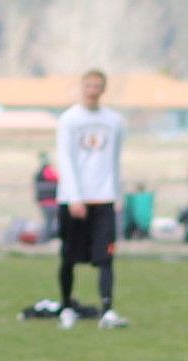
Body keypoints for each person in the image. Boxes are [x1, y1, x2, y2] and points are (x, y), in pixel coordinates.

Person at [54, 69, 128, 329]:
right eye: (89, 85)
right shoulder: (69, 120)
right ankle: (66, 307)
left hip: (104, 198)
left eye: (98, 86)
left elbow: (116, 159)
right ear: (82, 87)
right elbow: (66, 159)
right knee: (69, 257)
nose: (93, 90)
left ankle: (107, 310)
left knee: (106, 257)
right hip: (73, 200)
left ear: (103, 89)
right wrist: (75, 197)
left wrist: (117, 194)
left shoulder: (115, 121)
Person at [33, 152, 59, 242]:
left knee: (48, 222)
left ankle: (44, 239)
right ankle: (44, 240)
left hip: (44, 202)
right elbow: (58, 180)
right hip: (50, 202)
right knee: (49, 223)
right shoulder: (48, 171)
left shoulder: (38, 174)